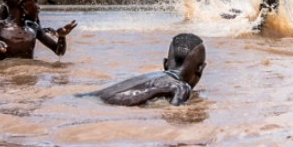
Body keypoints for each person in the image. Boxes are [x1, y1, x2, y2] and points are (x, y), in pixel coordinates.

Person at [78, 33, 206, 106]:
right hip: (110, 106)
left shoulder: (152, 76)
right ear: (200, 69)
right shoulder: (181, 87)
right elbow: (175, 113)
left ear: (165, 64)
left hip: (88, 97)